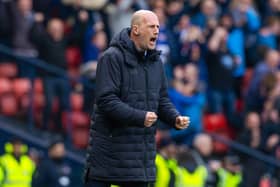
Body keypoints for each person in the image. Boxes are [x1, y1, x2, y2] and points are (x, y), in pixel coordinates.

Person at [84, 9, 190, 187]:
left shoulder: (156, 63)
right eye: (151, 26)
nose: (156, 31)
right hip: (108, 156)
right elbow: (106, 100)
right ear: (136, 29)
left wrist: (174, 117)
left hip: (139, 161)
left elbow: (162, 100)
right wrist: (139, 117)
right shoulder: (111, 57)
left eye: (158, 26)